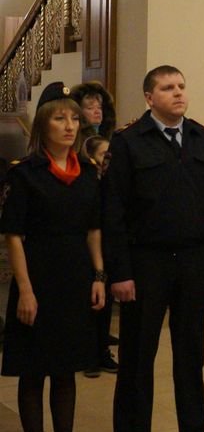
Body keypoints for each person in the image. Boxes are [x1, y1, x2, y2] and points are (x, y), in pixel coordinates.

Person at [104, 65, 204, 432]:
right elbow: (113, 213)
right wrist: (120, 272)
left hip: (194, 259)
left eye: (181, 86)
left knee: (191, 354)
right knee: (137, 357)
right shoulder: (128, 142)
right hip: (146, 263)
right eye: (167, 88)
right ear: (149, 97)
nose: (178, 93)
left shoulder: (202, 139)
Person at [1, 82, 105, 432]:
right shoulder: (25, 174)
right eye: (60, 118)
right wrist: (25, 290)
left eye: (74, 119)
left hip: (75, 279)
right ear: (43, 126)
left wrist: (99, 276)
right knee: (33, 374)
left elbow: (94, 230)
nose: (69, 125)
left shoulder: (88, 174)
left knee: (65, 373)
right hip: (38, 279)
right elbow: (13, 236)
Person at [71, 82, 120, 380]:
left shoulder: (109, 141)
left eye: (99, 106)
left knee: (106, 292)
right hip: (85, 230)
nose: (96, 111)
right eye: (89, 106)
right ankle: (90, 351)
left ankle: (100, 346)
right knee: (90, 293)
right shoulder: (80, 147)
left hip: (108, 228)